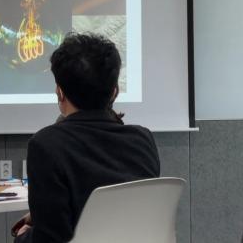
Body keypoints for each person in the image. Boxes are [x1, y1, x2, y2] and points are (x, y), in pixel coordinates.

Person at [13, 33, 160, 243]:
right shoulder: (142, 140)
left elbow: (50, 239)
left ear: (60, 92)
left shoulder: (46, 145)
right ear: (114, 92)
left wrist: (23, 236)